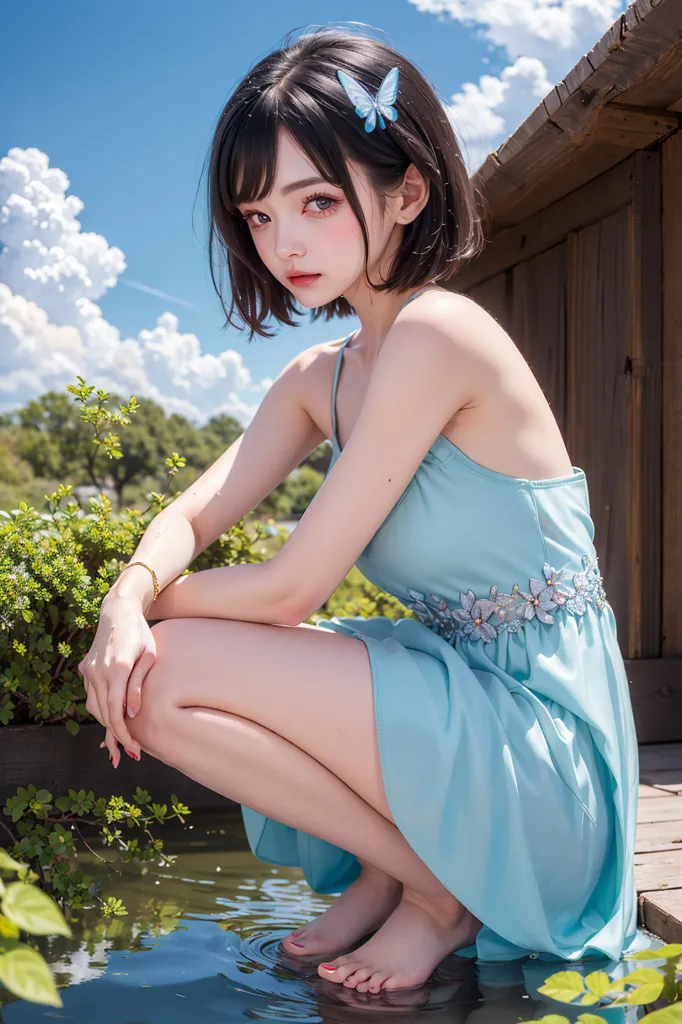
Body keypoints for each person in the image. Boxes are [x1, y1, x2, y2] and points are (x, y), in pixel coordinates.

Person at [78, 26, 652, 996]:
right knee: (155, 686)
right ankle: (405, 867)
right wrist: (127, 596)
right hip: (451, 718)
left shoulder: (440, 332)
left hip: (542, 765)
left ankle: (437, 890)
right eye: (258, 216)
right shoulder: (320, 378)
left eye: (313, 201)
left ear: (407, 191)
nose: (285, 241)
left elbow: (291, 587)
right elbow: (192, 512)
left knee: (164, 658)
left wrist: (145, 619)